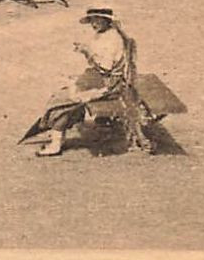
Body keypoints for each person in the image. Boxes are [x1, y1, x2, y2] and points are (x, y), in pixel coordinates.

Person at [20, 9, 151, 157]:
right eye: (92, 20)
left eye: (98, 20)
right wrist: (86, 52)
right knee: (63, 94)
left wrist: (87, 52)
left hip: (108, 84)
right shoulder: (103, 35)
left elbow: (105, 67)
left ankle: (56, 143)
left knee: (63, 99)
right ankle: (57, 137)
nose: (94, 24)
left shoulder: (112, 39)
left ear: (107, 21)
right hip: (100, 78)